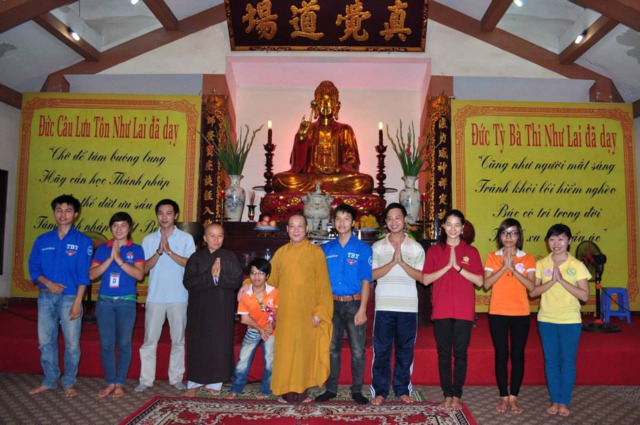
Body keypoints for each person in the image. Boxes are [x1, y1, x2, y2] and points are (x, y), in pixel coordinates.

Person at [28, 194, 93, 397]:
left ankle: (69, 382)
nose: (63, 214)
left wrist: (78, 303)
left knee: (72, 344)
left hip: (70, 298)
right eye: (58, 210)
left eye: (68, 210)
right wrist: (48, 283)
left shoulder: (83, 241)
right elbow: (34, 269)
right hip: (45, 297)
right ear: (54, 213)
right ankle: (50, 379)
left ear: (76, 214)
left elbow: (83, 275)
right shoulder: (42, 240)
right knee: (45, 341)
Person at [268, 214, 333, 403]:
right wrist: (249, 285)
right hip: (285, 313)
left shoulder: (316, 253)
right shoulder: (281, 253)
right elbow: (269, 281)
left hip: (307, 313)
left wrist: (320, 312)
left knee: (303, 353)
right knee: (286, 353)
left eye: (300, 226)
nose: (296, 230)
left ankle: (302, 392)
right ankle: (285, 392)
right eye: (292, 226)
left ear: (306, 229)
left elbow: (324, 286)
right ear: (287, 229)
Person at [423, 209, 483, 411]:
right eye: (449, 224)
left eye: (457, 225)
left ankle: (457, 394)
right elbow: (426, 279)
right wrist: (446, 267)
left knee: (460, 353)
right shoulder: (434, 251)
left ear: (463, 227)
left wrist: (458, 267)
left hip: (463, 311)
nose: (453, 229)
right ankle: (447, 393)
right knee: (443, 354)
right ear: (443, 227)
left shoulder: (471, 251)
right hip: (441, 309)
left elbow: (480, 281)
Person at [135, 199, 196, 393]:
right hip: (155, 298)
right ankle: (146, 380)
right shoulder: (148, 240)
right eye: (161, 213)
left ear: (176, 216)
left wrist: (169, 252)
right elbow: (144, 269)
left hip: (179, 297)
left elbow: (191, 264)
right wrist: (158, 252)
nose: (164, 217)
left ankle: (176, 378)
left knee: (178, 341)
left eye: (169, 213)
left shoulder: (186, 238)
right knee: (149, 341)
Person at [529, 224, 590, 417]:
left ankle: (564, 401)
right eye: (552, 239)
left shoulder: (577, 265)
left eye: (561, 239)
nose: (556, 243)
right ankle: (555, 400)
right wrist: (552, 281)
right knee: (551, 361)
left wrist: (562, 281)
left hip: (570, 320)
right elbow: (533, 292)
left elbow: (584, 296)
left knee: (567, 361)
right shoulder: (541, 264)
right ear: (547, 242)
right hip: (546, 319)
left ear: (569, 241)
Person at [272, 80, 374, 194]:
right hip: (311, 178)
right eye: (321, 101)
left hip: (336, 178)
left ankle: (324, 186)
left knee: (366, 182)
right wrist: (301, 138)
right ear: (315, 105)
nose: (325, 105)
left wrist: (336, 169)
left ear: (337, 106)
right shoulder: (308, 129)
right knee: (279, 180)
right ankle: (323, 186)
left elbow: (353, 162)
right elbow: (296, 165)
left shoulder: (345, 130)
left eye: (329, 101)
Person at [315, 204, 372, 405]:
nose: (342, 222)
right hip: (331, 304)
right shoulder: (325, 250)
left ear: (353, 222)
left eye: (346, 218)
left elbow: (366, 281)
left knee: (357, 350)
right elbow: (319, 282)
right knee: (332, 349)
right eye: (338, 218)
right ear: (333, 222)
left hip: (354, 304)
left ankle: (357, 390)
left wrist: (363, 309)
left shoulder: (363, 249)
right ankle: (331, 389)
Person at [370, 203, 425, 406]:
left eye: (398, 217)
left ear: (405, 220)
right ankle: (380, 391)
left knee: (405, 350)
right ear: (386, 222)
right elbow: (371, 275)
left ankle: (402, 389)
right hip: (384, 306)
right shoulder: (377, 247)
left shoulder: (416, 248)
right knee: (381, 350)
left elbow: (422, 277)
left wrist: (402, 263)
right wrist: (392, 263)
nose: (394, 222)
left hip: (408, 307)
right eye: (390, 218)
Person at [182, 224, 242, 397]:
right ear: (205, 238)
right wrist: (210, 276)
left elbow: (236, 282)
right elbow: (188, 282)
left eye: (220, 236)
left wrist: (218, 277)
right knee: (198, 343)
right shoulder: (195, 258)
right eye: (212, 236)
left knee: (219, 343)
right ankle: (194, 382)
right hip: (199, 309)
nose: (216, 240)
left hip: (221, 308)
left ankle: (215, 382)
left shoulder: (230, 257)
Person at [90, 212, 145, 398]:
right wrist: (110, 259)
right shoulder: (102, 249)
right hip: (105, 301)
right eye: (115, 225)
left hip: (126, 302)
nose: (119, 229)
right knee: (106, 344)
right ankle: (110, 382)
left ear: (130, 228)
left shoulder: (136, 249)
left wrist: (119, 260)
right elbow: (92, 275)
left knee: (123, 343)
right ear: (111, 228)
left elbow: (139, 275)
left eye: (123, 225)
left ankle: (120, 383)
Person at [483, 218, 535, 414]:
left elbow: (531, 287)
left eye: (513, 233)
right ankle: (503, 397)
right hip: (498, 312)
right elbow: (486, 284)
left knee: (517, 355)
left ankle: (514, 397)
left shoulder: (527, 258)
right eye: (505, 233)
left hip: (521, 312)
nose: (509, 237)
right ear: (500, 236)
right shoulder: (492, 257)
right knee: (501, 354)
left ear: (519, 236)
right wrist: (504, 267)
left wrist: (513, 268)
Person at [229, 258, 278, 399]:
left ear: (267, 276)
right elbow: (244, 319)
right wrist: (260, 329)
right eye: (253, 273)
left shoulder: (275, 292)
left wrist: (272, 326)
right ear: (249, 275)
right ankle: (236, 388)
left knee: (270, 360)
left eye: (261, 273)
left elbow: (278, 313)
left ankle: (266, 390)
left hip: (271, 330)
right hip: (253, 329)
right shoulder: (245, 294)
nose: (257, 277)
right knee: (243, 359)